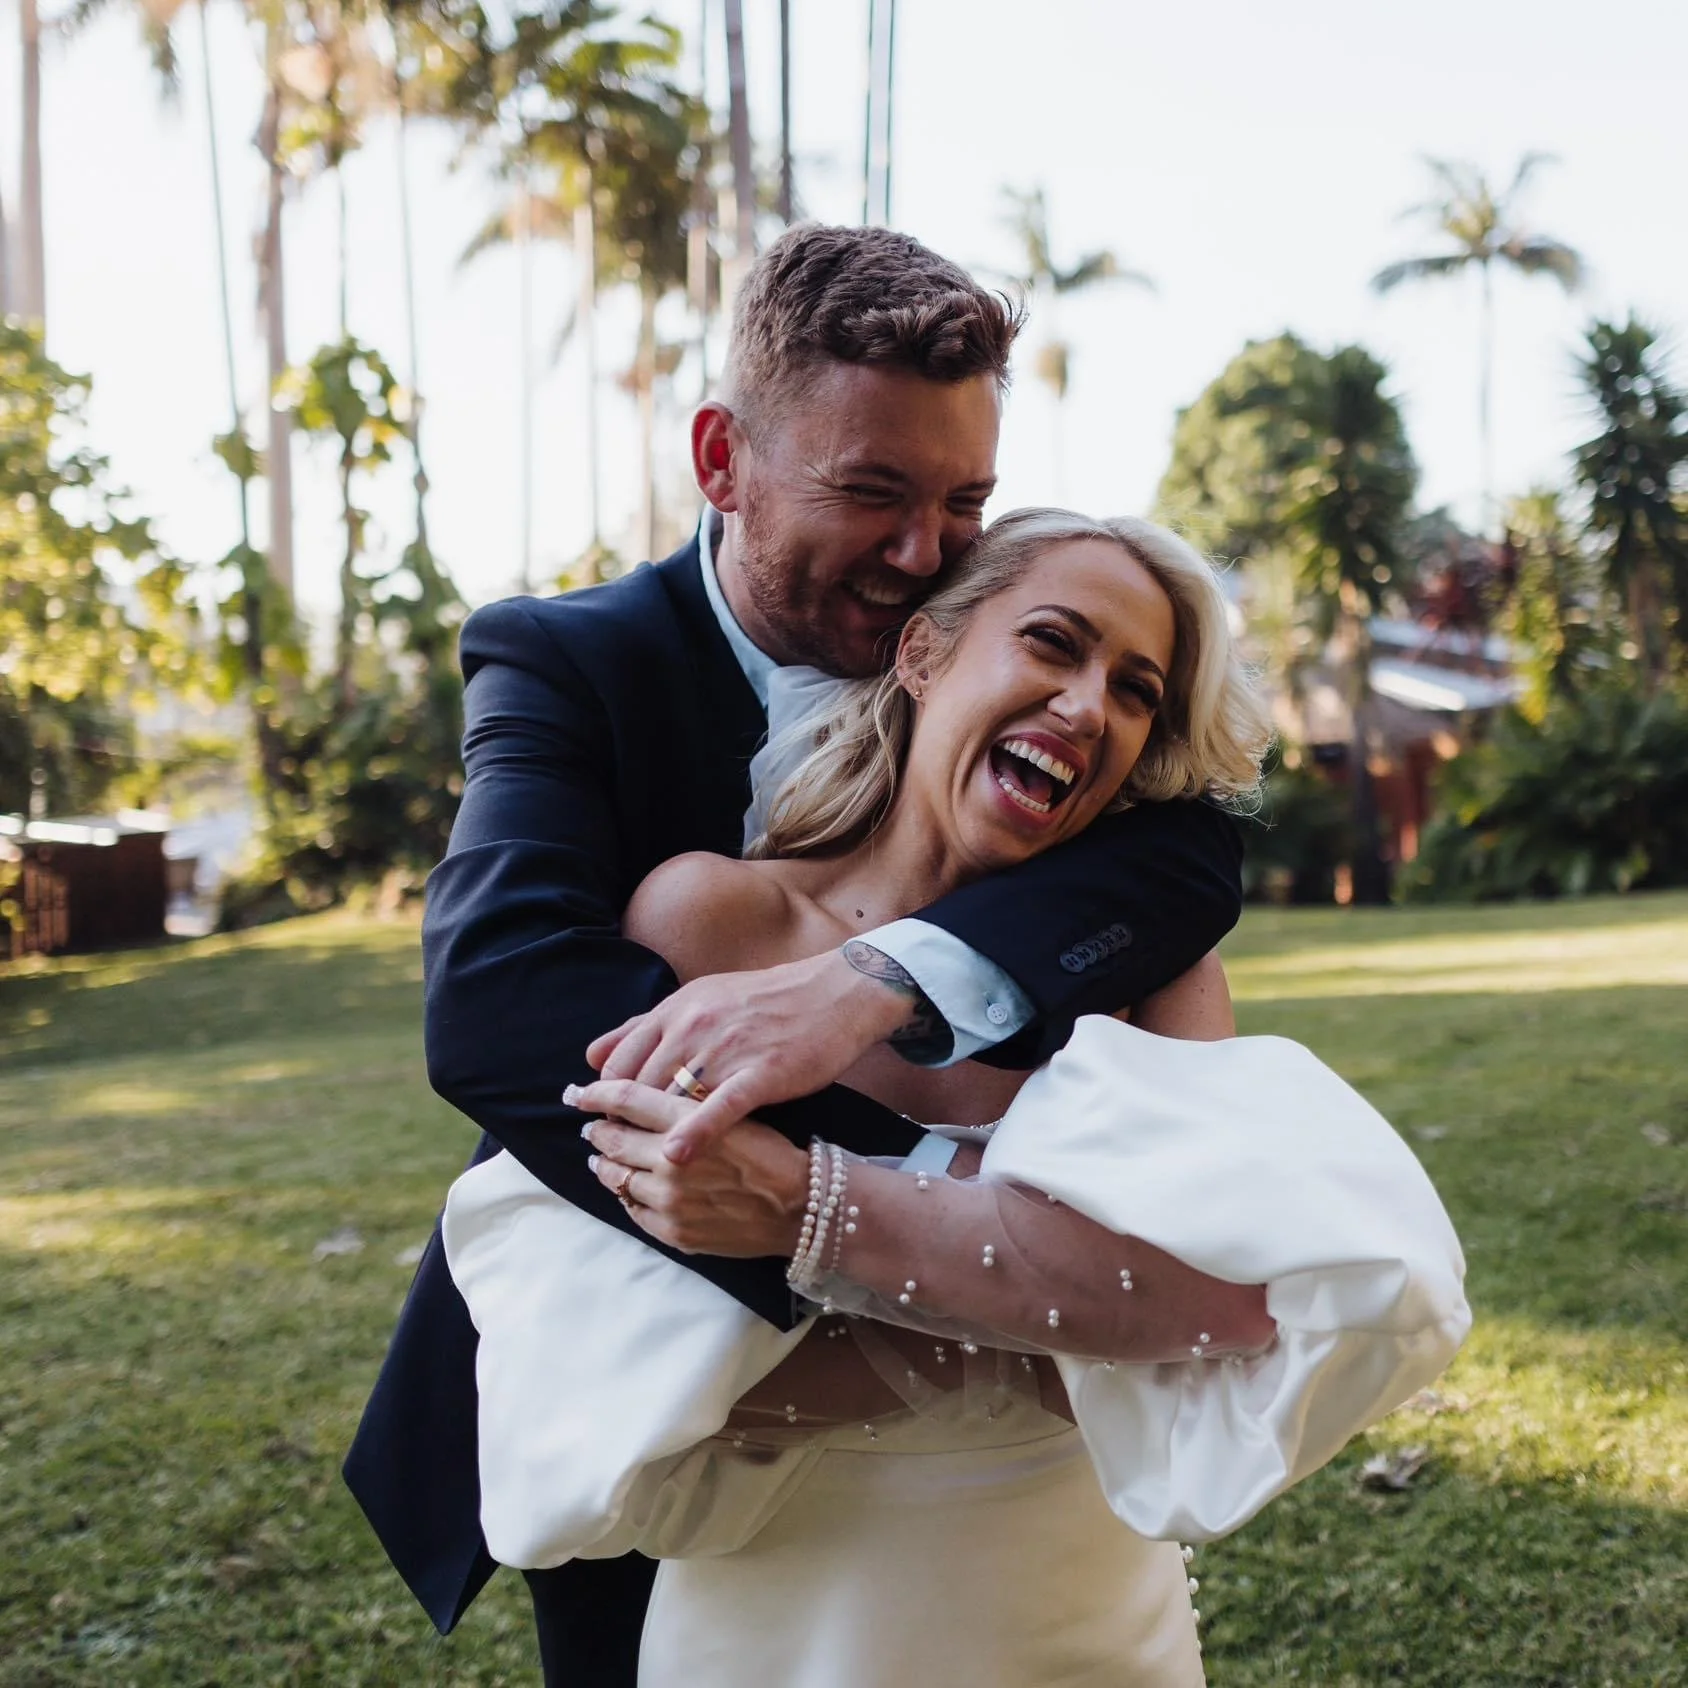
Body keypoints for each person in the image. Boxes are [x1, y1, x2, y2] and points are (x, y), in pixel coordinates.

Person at [343, 225, 1248, 1686]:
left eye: (964, 501)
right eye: (873, 492)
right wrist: (885, 1215)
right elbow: (503, 1002)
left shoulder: (1035, 678)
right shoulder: (569, 663)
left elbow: (1192, 849)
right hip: (651, 1324)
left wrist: (870, 987)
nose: (923, 552)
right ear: (723, 459)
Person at [442, 510, 1470, 1686]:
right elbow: (620, 1364)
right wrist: (1054, 1310)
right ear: (921, 654)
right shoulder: (710, 921)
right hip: (779, 1619)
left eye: (1134, 689)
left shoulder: (1157, 973)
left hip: (1084, 1621)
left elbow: (1229, 1308)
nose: (1088, 706)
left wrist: (808, 1210)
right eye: (1051, 642)